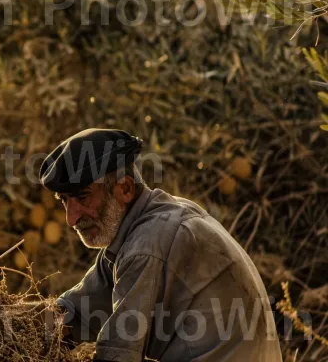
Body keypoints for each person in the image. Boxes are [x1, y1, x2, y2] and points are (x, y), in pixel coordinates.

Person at [38, 128, 282, 362]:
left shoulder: (147, 243)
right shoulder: (144, 224)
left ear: (125, 188)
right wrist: (8, 323)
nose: (71, 218)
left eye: (82, 197)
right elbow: (70, 315)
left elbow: (116, 355)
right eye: (64, 201)